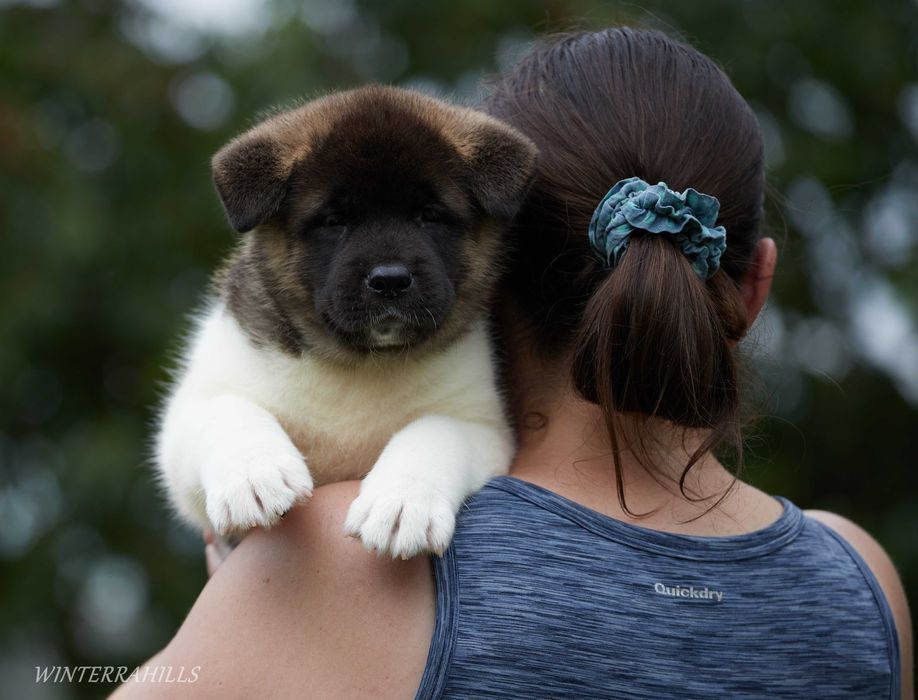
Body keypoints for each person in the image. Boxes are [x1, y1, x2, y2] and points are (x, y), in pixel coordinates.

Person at [112, 27, 912, 699]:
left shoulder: (339, 556)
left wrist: (254, 601)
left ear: (498, 270)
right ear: (757, 284)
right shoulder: (862, 582)